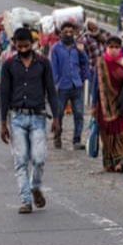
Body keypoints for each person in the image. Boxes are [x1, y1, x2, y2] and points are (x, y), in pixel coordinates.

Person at [0, 27, 60, 214]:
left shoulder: (43, 63)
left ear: (32, 44)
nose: (23, 49)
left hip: (38, 116)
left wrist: (56, 117)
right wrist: (2, 122)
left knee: (39, 158)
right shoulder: (9, 65)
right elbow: (4, 93)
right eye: (19, 46)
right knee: (21, 160)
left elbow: (51, 90)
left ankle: (35, 186)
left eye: (26, 46)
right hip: (16, 117)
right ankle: (25, 200)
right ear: (15, 45)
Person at [91, 36, 123, 173]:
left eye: (117, 47)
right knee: (108, 134)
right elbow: (95, 86)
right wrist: (94, 105)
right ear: (106, 48)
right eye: (111, 47)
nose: (114, 50)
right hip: (105, 105)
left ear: (121, 48)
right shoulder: (101, 63)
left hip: (121, 103)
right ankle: (111, 162)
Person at [50, 22, 90, 150]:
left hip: (76, 84)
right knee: (59, 113)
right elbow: (53, 68)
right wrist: (55, 84)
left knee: (78, 113)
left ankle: (77, 139)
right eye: (66, 32)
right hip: (62, 86)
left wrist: (81, 52)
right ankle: (57, 136)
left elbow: (85, 63)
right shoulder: (56, 48)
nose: (68, 34)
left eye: (70, 32)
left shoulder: (77, 47)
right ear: (61, 33)